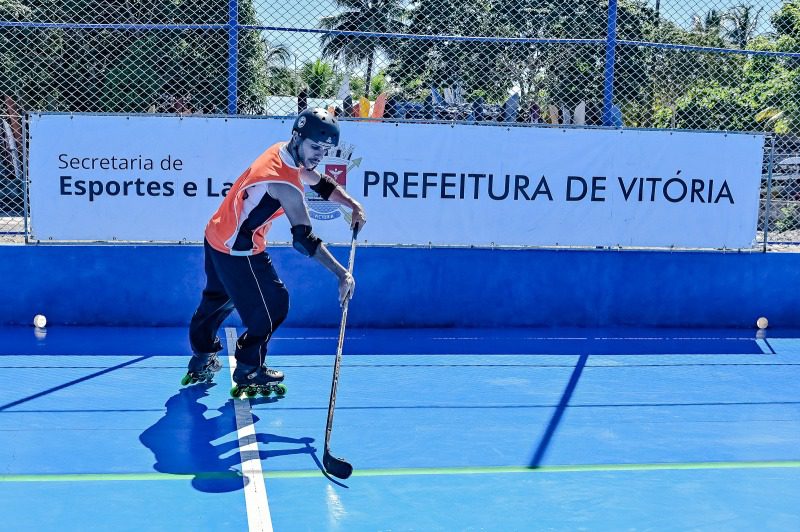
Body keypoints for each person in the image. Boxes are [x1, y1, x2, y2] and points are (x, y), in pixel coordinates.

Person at [183, 108, 367, 394]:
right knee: (274, 305)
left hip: (217, 234)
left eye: (326, 149)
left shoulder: (282, 151)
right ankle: (248, 368)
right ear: (297, 138)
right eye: (315, 147)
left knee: (218, 298)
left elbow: (319, 182)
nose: (320, 154)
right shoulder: (285, 184)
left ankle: (202, 356)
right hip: (239, 248)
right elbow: (304, 240)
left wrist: (352, 204)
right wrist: (342, 274)